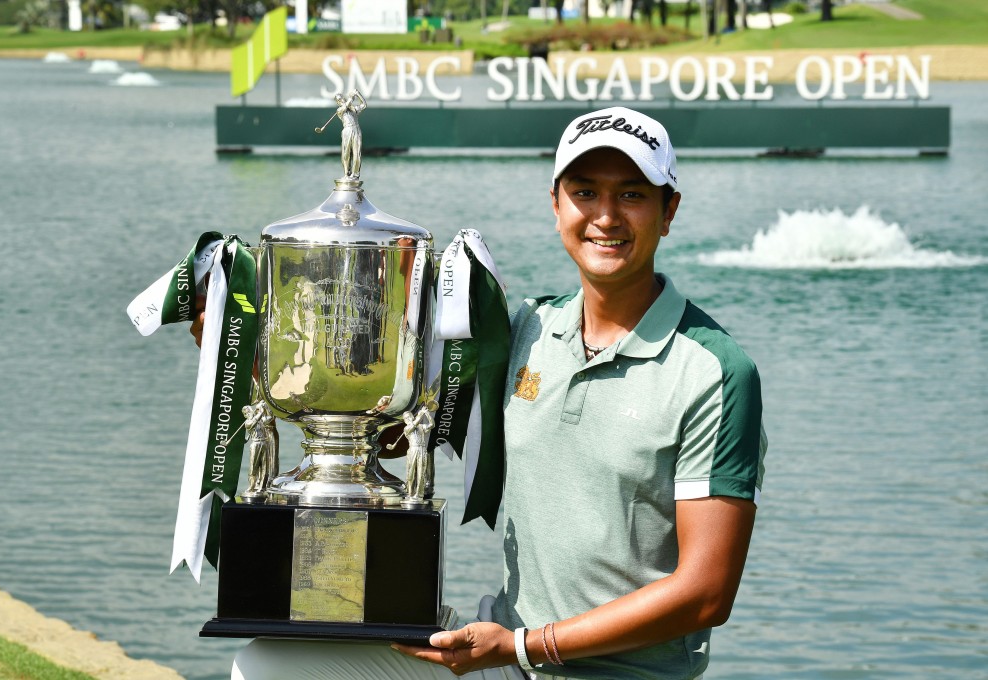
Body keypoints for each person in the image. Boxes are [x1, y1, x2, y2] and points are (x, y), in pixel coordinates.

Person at [225, 106, 766, 680]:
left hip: (600, 670)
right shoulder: (526, 329)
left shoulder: (714, 371)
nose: (605, 217)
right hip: (506, 657)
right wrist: (244, 349)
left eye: (631, 195)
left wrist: (523, 646)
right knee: (267, 663)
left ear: (668, 210)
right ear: (556, 204)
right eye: (585, 192)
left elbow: (706, 594)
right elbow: (414, 421)